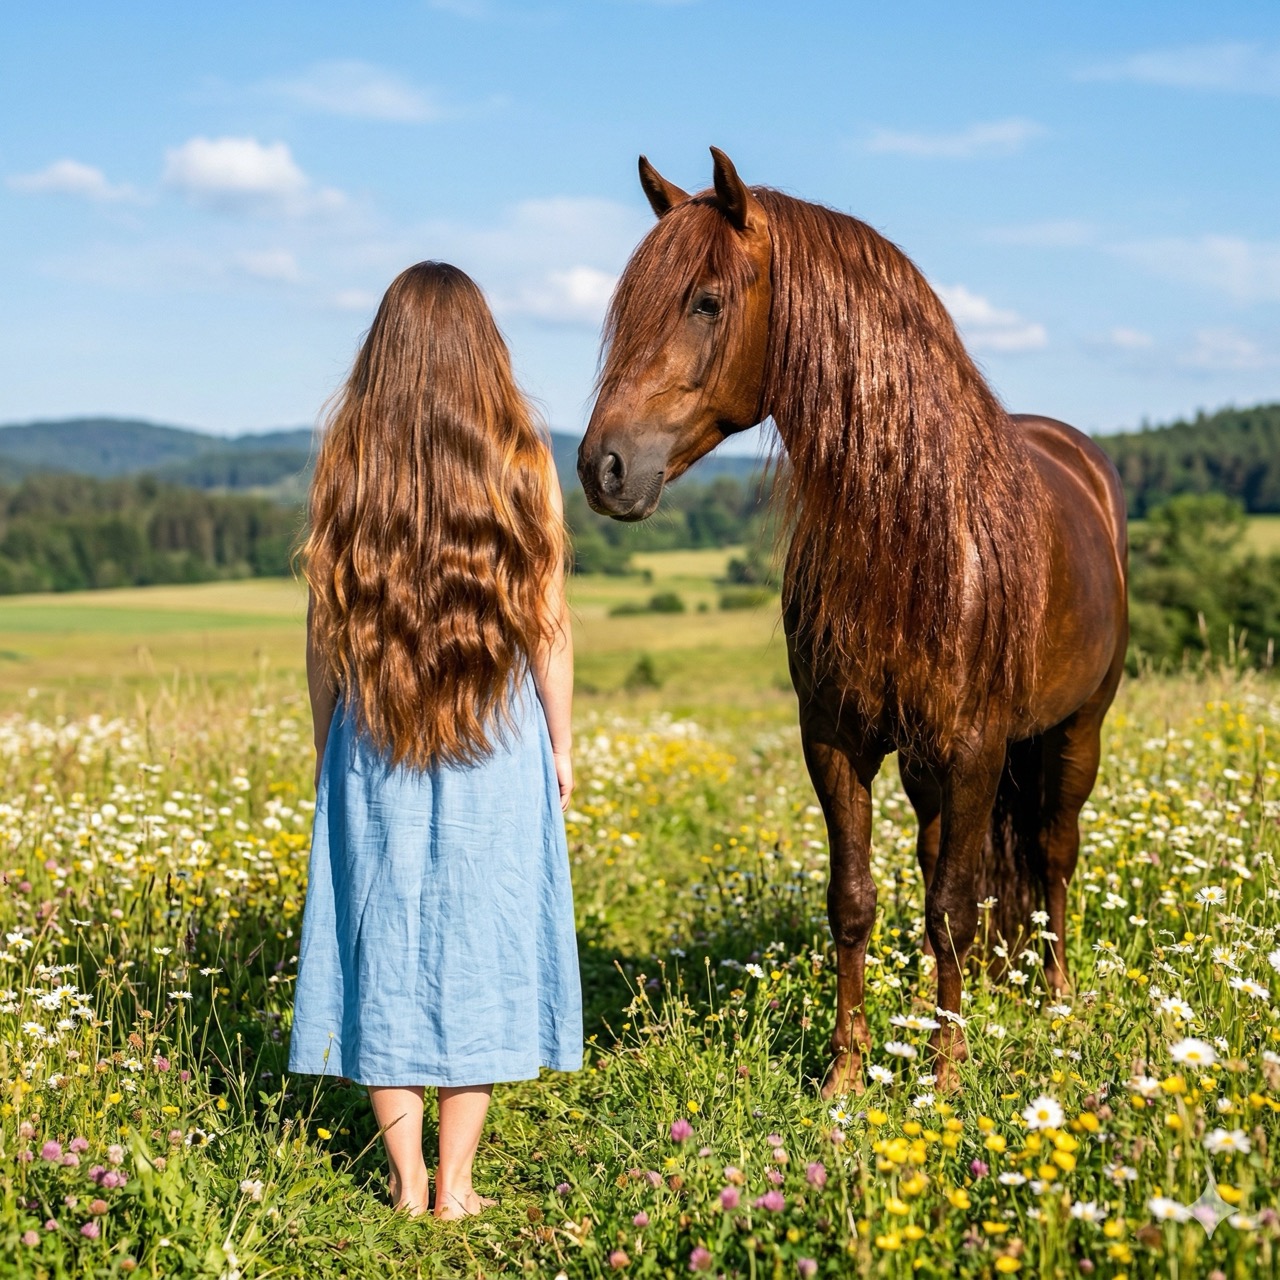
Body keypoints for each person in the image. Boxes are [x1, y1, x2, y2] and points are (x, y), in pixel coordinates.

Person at [288, 261, 581, 1220]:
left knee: (379, 941)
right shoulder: (523, 462)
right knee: (483, 942)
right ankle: (458, 1185)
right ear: (484, 356)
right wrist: (563, 746)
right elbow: (551, 625)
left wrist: (325, 740)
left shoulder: (350, 459)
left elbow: (324, 629)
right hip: (495, 737)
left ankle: (405, 1183)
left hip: (374, 737)